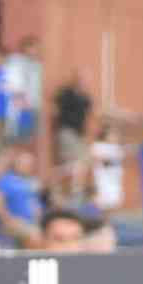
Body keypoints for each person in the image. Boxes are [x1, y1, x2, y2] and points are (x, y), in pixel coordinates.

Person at [0, 148, 43, 244]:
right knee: (37, 237)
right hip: (16, 223)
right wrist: (8, 219)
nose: (27, 167)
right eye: (24, 163)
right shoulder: (6, 180)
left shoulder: (29, 182)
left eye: (30, 164)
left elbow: (34, 204)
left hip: (31, 223)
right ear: (16, 164)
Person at [53, 68, 92, 196]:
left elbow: (85, 118)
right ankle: (76, 191)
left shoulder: (86, 99)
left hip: (78, 134)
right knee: (80, 162)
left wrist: (84, 135)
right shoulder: (66, 93)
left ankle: (58, 175)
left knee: (82, 162)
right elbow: (56, 107)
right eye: (82, 79)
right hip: (67, 132)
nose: (85, 82)